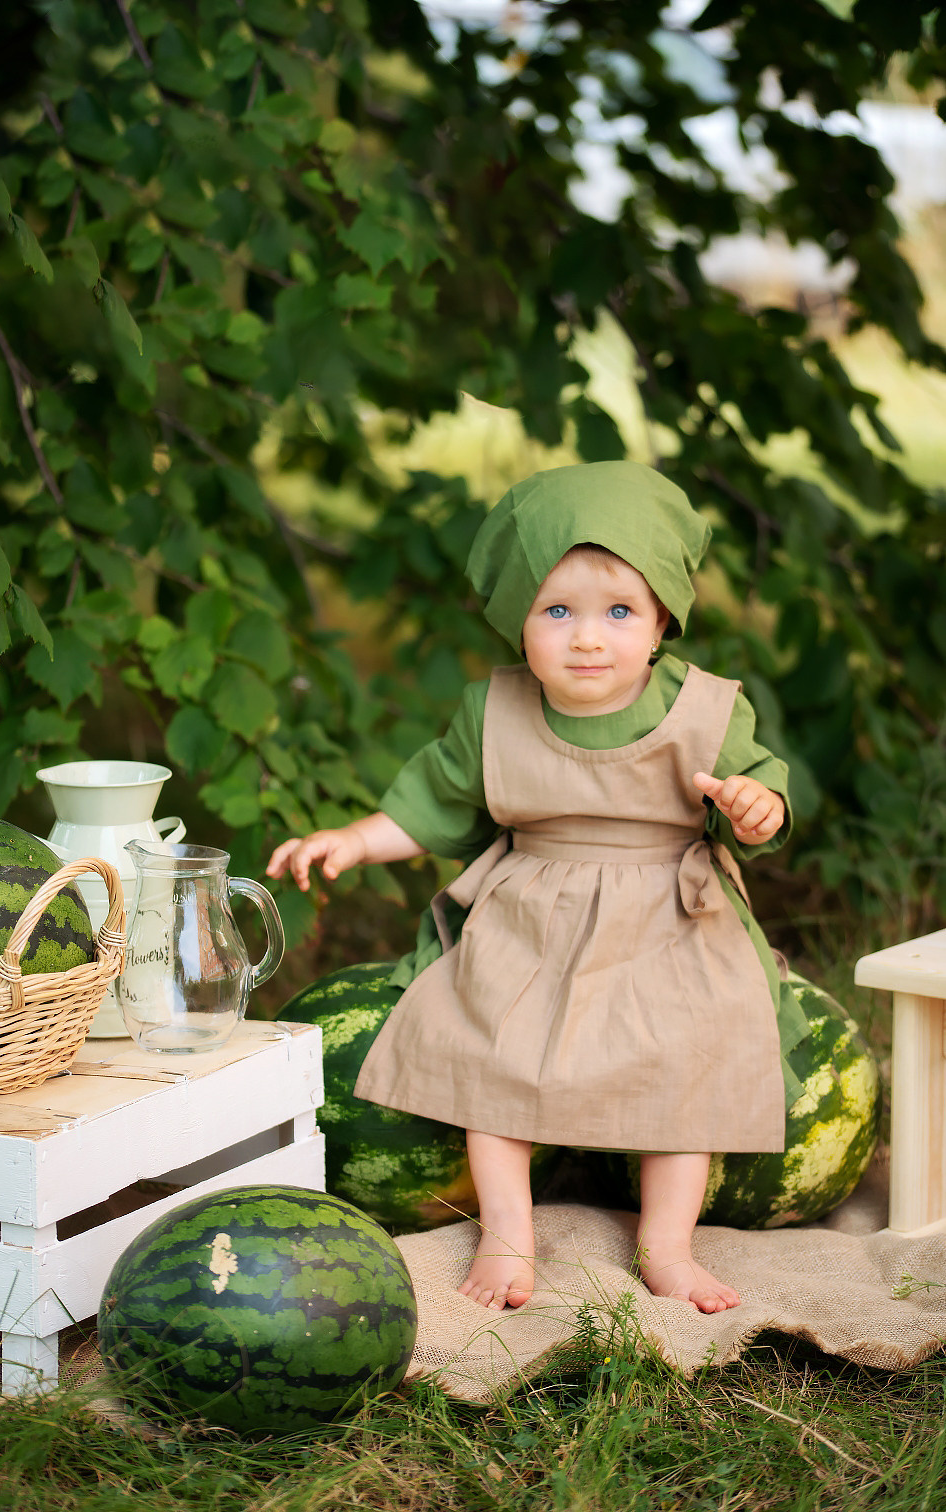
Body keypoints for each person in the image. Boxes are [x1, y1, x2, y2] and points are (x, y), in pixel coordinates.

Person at [267, 461, 809, 1316]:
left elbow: (761, 804)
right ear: (518, 620)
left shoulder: (706, 709)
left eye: (618, 612)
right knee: (497, 1061)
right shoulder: (497, 712)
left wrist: (753, 807)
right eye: (557, 611)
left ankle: (667, 1246)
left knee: (685, 1070)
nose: (587, 639)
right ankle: (508, 1232)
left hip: (668, 915)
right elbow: (435, 805)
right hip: (531, 918)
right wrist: (355, 841)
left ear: (663, 619)